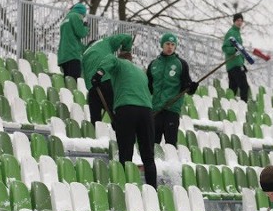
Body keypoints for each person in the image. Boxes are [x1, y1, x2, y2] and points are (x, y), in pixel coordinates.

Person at [91, 48, 157, 188]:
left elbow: (110, 59)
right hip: (146, 112)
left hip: (127, 109)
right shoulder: (141, 72)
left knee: (126, 154)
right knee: (148, 157)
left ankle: (125, 188)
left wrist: (99, 73)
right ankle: (153, 190)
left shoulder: (120, 63)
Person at [147, 32, 198, 145]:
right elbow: (148, 88)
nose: (170, 46)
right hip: (156, 109)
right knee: (152, 144)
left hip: (172, 109)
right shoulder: (153, 64)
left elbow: (187, 87)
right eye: (167, 43)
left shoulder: (181, 64)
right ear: (162, 45)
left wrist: (192, 88)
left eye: (172, 44)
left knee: (170, 143)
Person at [82, 34, 133, 127]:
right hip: (107, 79)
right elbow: (127, 37)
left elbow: (84, 78)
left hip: (92, 87)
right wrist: (125, 50)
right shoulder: (105, 42)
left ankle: (95, 137)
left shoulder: (84, 55)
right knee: (118, 113)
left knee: (96, 123)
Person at [221, 13, 250, 101]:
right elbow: (225, 47)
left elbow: (240, 50)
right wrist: (234, 50)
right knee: (244, 86)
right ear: (234, 21)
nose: (239, 22)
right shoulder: (231, 32)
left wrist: (242, 62)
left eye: (241, 21)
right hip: (234, 64)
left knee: (233, 88)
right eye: (238, 20)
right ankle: (243, 105)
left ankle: (230, 105)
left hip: (237, 64)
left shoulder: (237, 33)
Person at [57, 3, 90, 79]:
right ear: (82, 12)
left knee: (68, 82)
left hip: (64, 55)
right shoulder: (76, 16)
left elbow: (72, 38)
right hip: (73, 55)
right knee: (75, 82)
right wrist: (85, 27)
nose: (83, 18)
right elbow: (81, 33)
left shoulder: (65, 19)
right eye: (83, 16)